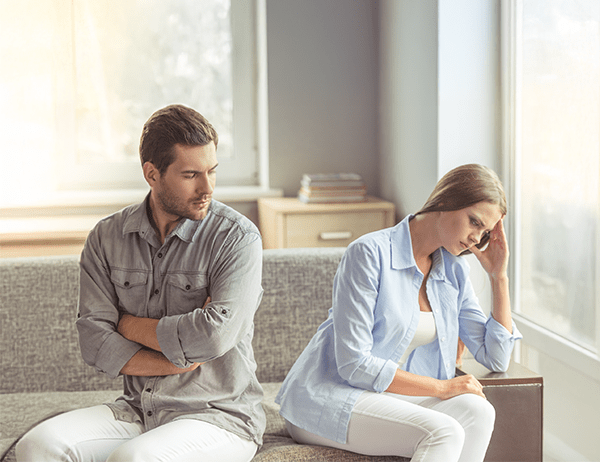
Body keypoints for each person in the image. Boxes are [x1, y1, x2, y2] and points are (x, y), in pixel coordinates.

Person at [17, 105, 266, 462]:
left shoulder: (237, 238)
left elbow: (213, 336)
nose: (207, 187)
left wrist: (128, 324)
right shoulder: (107, 237)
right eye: (191, 174)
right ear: (152, 174)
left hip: (218, 417)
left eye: (212, 171)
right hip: (138, 410)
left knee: (134, 459)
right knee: (37, 446)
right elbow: (93, 340)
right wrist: (175, 361)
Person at [275, 164, 522, 462]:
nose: (475, 238)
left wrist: (499, 277)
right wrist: (442, 387)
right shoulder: (369, 254)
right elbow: (354, 364)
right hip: (330, 397)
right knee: (445, 431)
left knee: (480, 412)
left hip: (394, 399)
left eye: (483, 233)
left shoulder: (454, 270)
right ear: (445, 201)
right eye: (474, 222)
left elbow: (495, 357)